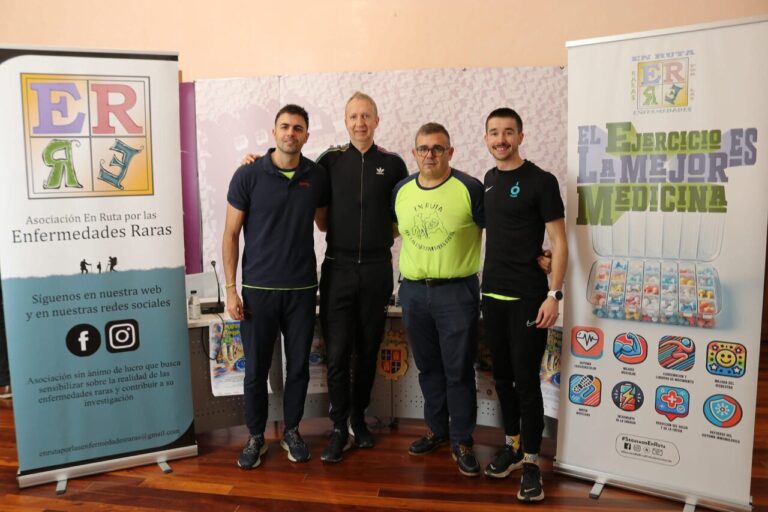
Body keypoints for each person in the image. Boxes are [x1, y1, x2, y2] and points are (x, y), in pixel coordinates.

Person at [243, 92, 408, 463]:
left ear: (377, 121)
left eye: (367, 116)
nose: (360, 123)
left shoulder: (394, 165)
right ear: (345, 121)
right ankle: (337, 427)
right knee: (336, 353)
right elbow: (299, 188)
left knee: (367, 350)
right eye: (353, 116)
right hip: (338, 268)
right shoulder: (328, 163)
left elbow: (404, 217)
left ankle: (357, 419)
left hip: (378, 269)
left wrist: (382, 237)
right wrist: (254, 162)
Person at [223, 104, 328, 469]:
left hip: (301, 290)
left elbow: (325, 224)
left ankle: (292, 431)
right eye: (285, 126)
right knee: (256, 370)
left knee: (298, 367)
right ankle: (256, 437)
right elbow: (231, 234)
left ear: (306, 136)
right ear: (274, 131)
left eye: (298, 128)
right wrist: (231, 290)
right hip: (258, 291)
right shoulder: (248, 174)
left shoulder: (316, 176)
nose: (290, 133)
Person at [480, 108, 567, 502]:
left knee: (527, 381)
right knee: (502, 379)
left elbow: (560, 243)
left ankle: (532, 462)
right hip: (492, 296)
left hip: (530, 299)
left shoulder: (541, 181)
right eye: (494, 132)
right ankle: (513, 445)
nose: (501, 139)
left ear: (521, 136)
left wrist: (554, 293)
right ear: (486, 139)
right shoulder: (488, 181)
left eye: (508, 132)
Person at [392, 122, 484, 477]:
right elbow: (392, 230)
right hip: (414, 291)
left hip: (456, 291)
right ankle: (437, 430)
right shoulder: (401, 190)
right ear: (414, 153)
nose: (430, 154)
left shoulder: (470, 188)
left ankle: (462, 440)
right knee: (428, 367)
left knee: (458, 370)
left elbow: (504, 228)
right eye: (424, 148)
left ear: (450, 152)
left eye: (438, 148)